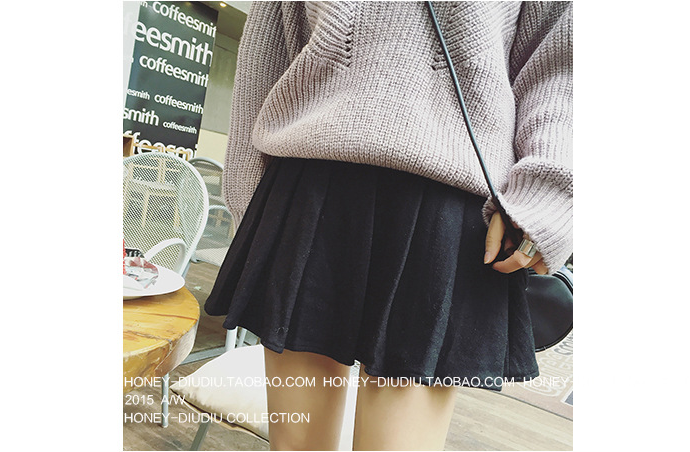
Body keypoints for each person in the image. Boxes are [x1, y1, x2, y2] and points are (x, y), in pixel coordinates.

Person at [205, 1, 572, 450]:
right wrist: (252, 207)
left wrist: (546, 192)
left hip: (447, 209)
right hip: (307, 187)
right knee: (296, 446)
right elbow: (268, 50)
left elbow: (561, 63)